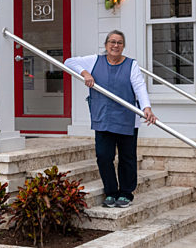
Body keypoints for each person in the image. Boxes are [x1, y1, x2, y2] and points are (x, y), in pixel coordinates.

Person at [64, 30, 156, 208]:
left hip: (126, 118)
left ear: (123, 46)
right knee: (103, 156)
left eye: (119, 42)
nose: (115, 45)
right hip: (103, 117)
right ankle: (111, 192)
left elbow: (140, 87)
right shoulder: (95, 61)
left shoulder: (131, 65)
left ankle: (126, 193)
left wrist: (146, 108)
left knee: (127, 158)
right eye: (112, 42)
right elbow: (69, 62)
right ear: (106, 45)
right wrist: (85, 73)